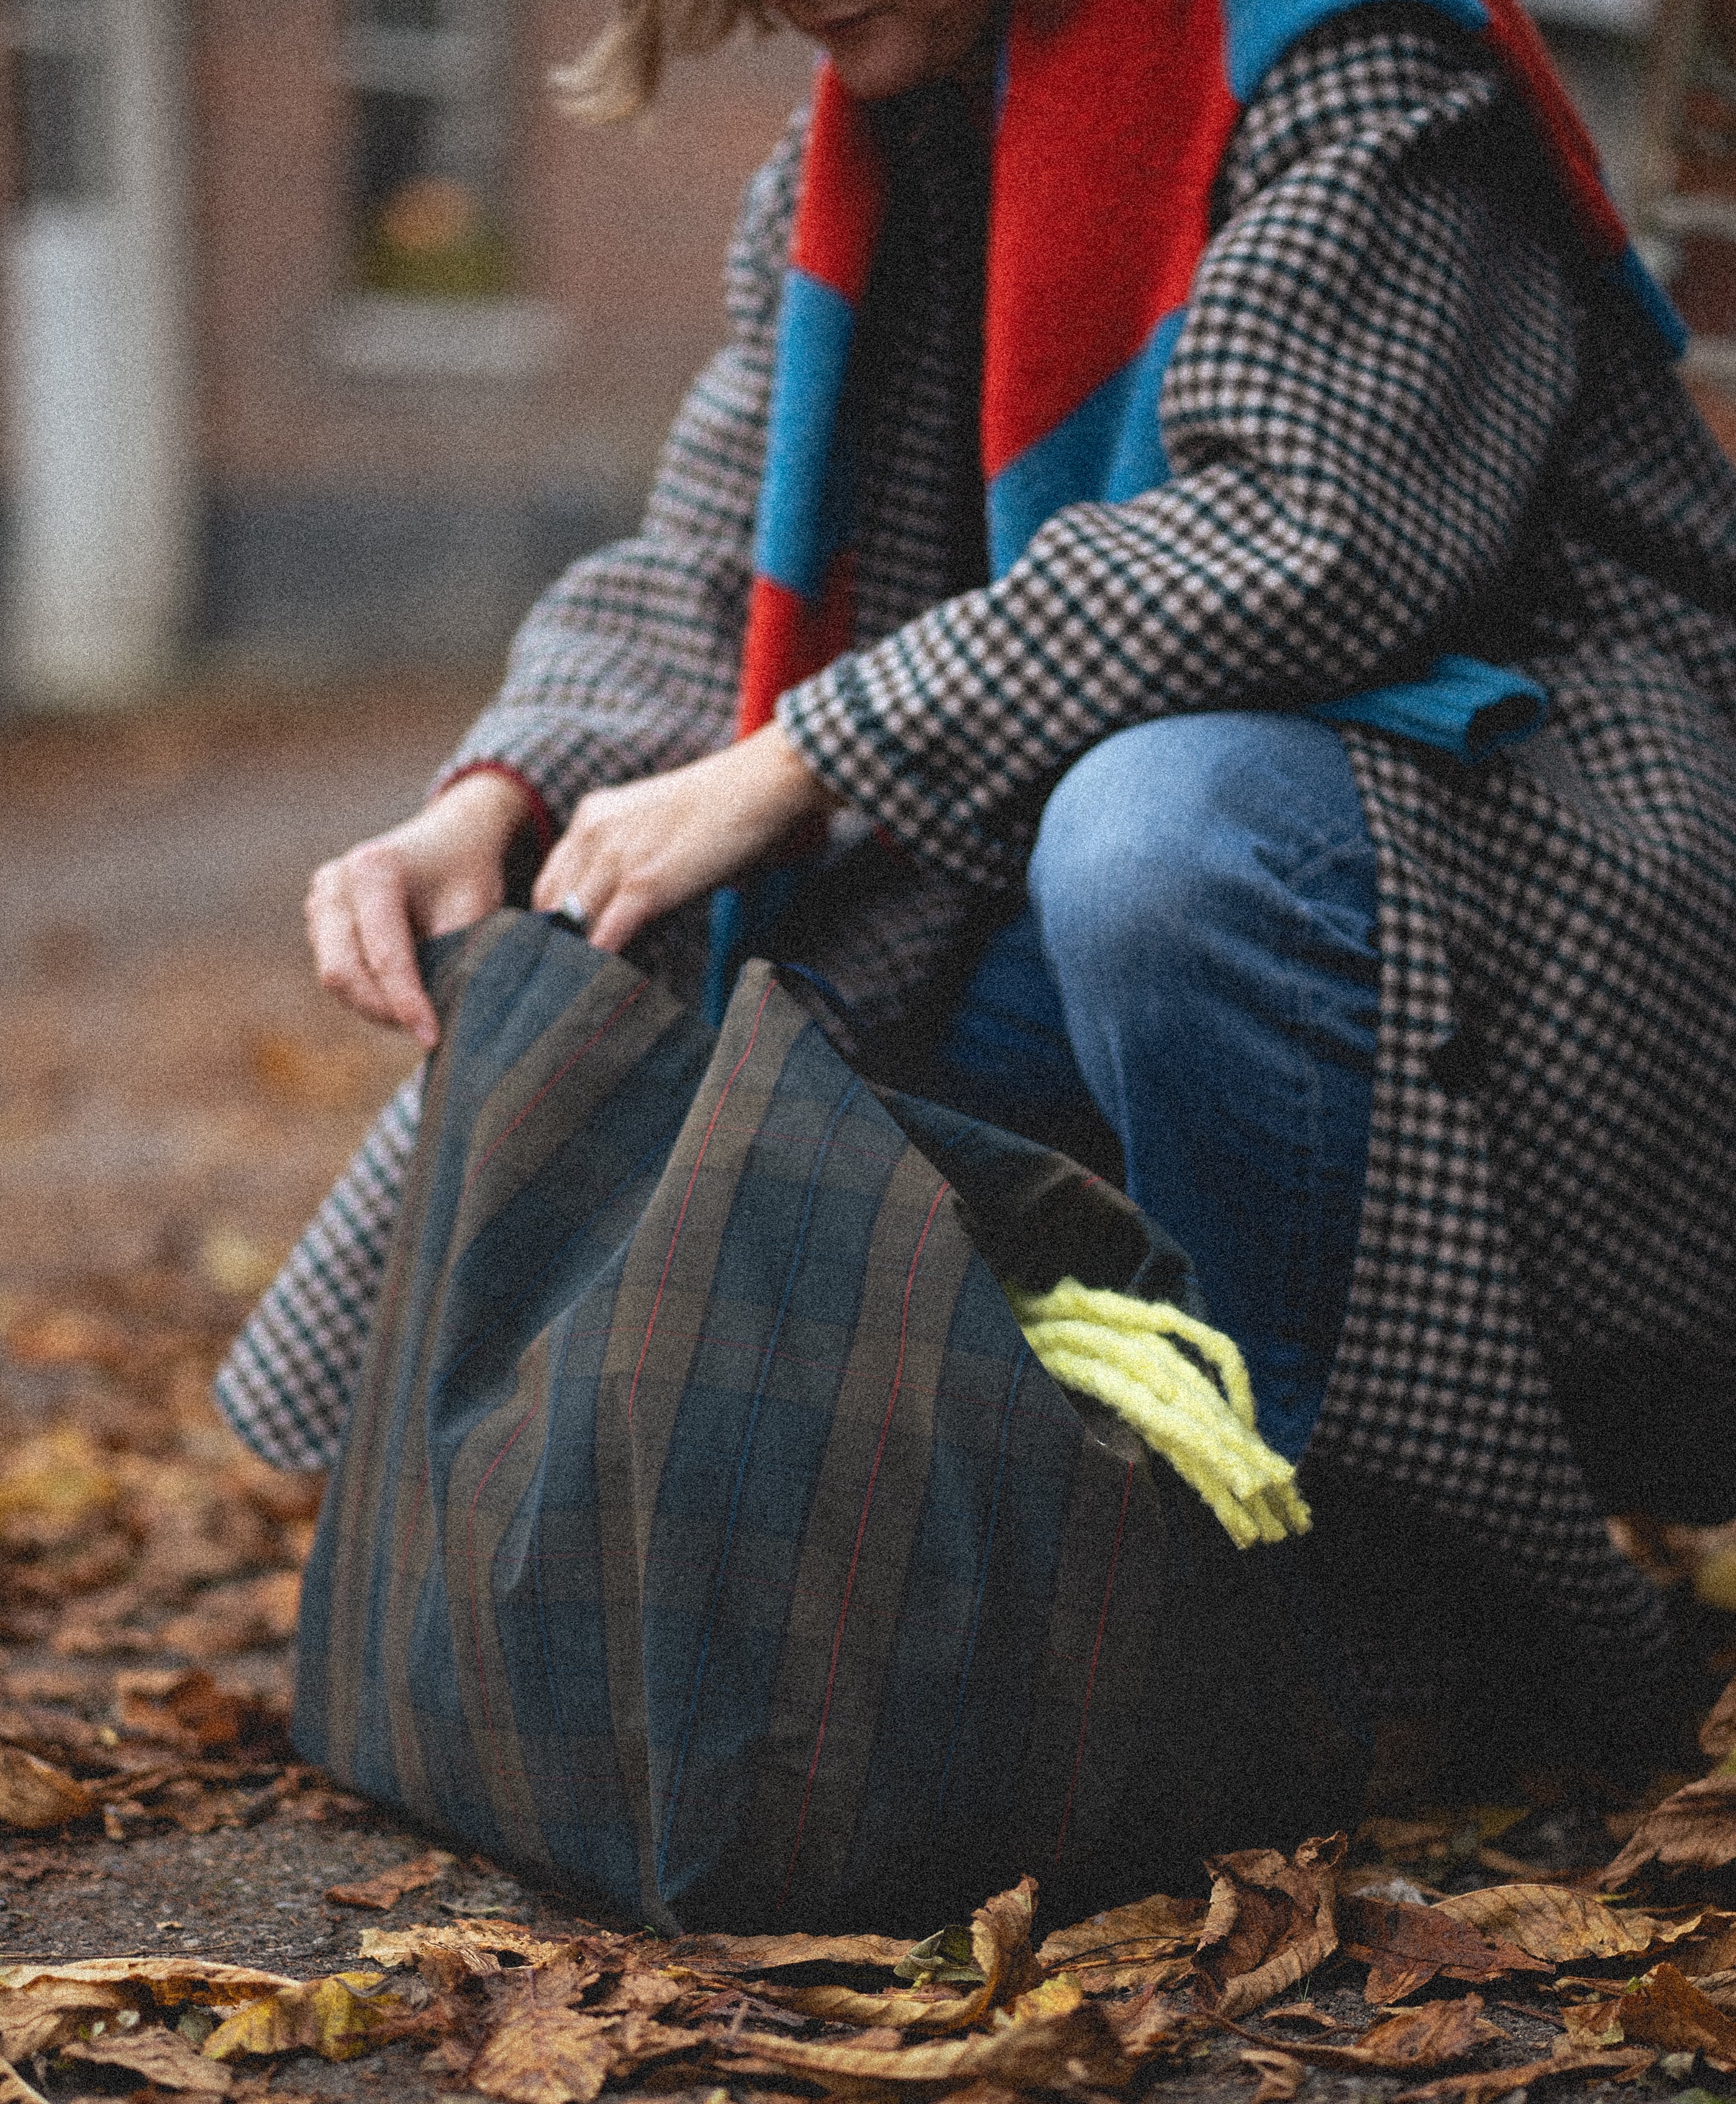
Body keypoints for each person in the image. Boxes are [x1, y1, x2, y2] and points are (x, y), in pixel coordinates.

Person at [224, 0, 1736, 1765]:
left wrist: (798, 759)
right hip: (1174, 842)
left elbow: (1308, 537)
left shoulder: (1343, 59)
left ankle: (1406, 1607)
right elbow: (712, 558)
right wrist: (498, 792)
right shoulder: (862, 152)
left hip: (1546, 838)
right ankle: (947, 1581)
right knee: (743, 930)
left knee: (1150, 841)